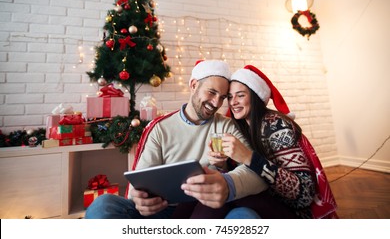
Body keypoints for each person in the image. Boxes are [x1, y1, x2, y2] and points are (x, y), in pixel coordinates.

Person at [84, 60, 268, 219]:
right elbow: (139, 182)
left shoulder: (226, 126)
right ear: (194, 85)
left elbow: (257, 174)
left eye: (222, 98)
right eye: (211, 93)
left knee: (245, 217)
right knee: (103, 205)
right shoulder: (160, 128)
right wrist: (139, 199)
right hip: (162, 211)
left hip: (207, 210)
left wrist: (228, 185)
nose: (216, 104)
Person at [206, 65, 338, 218]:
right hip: (263, 199)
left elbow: (305, 195)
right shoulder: (240, 127)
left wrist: (249, 157)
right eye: (229, 97)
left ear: (255, 96)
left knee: (226, 198)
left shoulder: (276, 126)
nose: (233, 102)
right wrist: (222, 163)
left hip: (293, 211)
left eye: (240, 95)